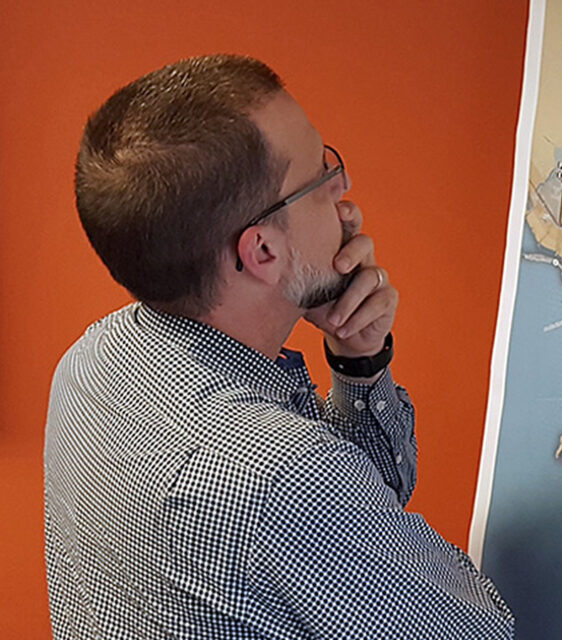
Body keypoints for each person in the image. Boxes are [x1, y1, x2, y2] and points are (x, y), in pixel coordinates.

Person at [44, 54, 514, 639]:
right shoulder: (280, 478)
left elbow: (371, 502)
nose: (344, 191)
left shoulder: (87, 364)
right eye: (320, 176)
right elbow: (480, 628)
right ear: (262, 252)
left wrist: (359, 361)